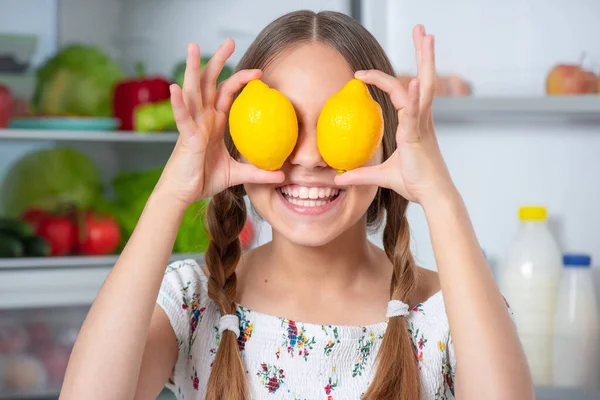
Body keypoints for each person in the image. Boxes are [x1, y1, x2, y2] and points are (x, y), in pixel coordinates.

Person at [60, 10, 533, 400]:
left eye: (336, 125)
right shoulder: (194, 301)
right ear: (237, 142)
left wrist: (441, 197)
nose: (308, 157)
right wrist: (172, 193)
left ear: (386, 142)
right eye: (281, 123)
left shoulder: (449, 313)